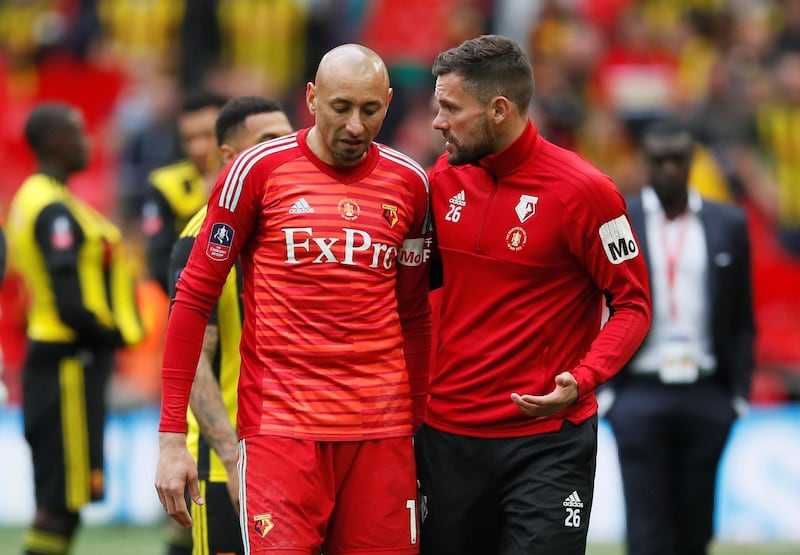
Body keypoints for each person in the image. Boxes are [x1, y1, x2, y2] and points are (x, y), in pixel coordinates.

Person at [155, 44, 432, 555]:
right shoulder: (255, 171)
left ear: (389, 103)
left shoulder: (411, 183)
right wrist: (172, 437)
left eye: (370, 110)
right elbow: (192, 301)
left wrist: (415, 427)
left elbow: (414, 315)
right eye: (340, 107)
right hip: (281, 431)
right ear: (311, 97)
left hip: (382, 432)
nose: (354, 125)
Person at [418, 35, 652, 555]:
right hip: (448, 437)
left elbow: (633, 304)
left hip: (546, 440)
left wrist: (584, 377)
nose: (438, 122)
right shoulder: (442, 178)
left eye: (450, 108)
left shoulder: (586, 192)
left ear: (498, 110)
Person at [603, 118, 755, 555]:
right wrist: (611, 394)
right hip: (639, 391)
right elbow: (599, 301)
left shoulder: (728, 223)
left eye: (678, 160)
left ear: (692, 163)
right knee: (646, 532)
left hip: (706, 391)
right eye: (659, 161)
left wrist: (737, 395)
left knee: (695, 528)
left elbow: (742, 315)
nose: (669, 169)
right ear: (645, 164)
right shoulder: (620, 221)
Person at [5, 103, 144, 555]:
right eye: (79, 132)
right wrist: (114, 333)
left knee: (67, 498)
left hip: (63, 360)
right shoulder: (52, 209)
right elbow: (68, 300)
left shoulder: (44, 197)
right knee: (59, 501)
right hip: (66, 360)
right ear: (55, 142)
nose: (88, 142)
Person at [169, 95, 294, 555]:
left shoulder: (296, 225)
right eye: (269, 141)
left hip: (298, 449)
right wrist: (230, 458)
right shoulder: (203, 237)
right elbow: (194, 357)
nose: (287, 149)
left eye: (290, 137)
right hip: (231, 464)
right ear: (229, 157)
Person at [142, 90, 228, 293]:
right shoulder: (165, 184)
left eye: (208, 136)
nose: (198, 148)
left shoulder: (255, 177)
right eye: (189, 139)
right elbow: (158, 263)